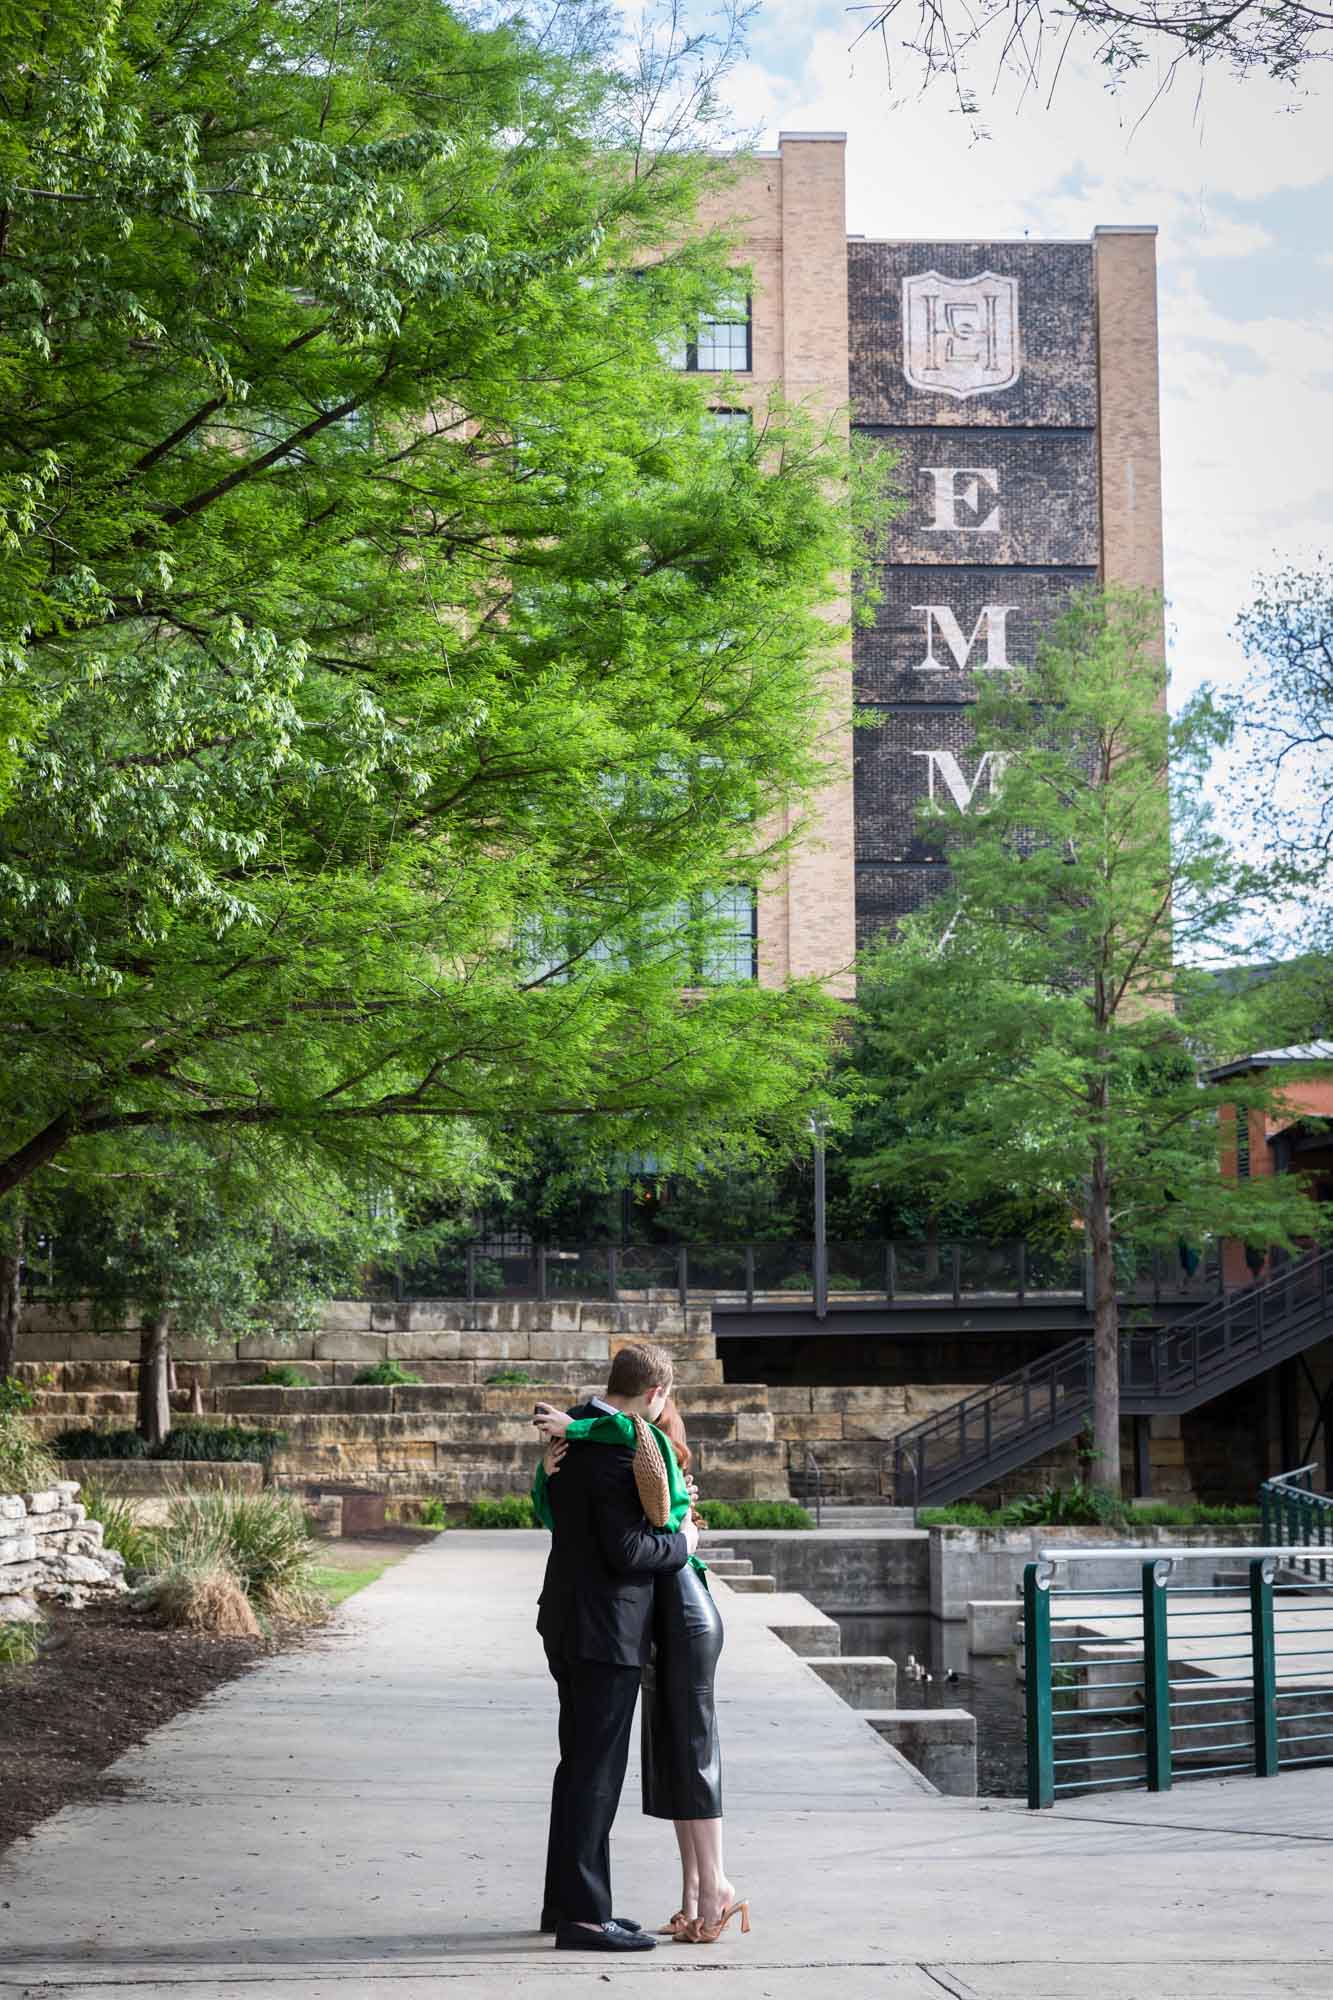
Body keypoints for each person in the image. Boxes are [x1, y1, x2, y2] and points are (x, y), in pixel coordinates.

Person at [533, 1385, 749, 1947]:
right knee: (594, 1776)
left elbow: (557, 1515)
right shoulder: (624, 1449)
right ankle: (583, 1917)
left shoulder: (569, 1434)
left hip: (566, 1620)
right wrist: (685, 1537)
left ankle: (565, 1906)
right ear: (656, 1392)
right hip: (604, 1633)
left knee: (577, 1766)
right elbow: (628, 1551)